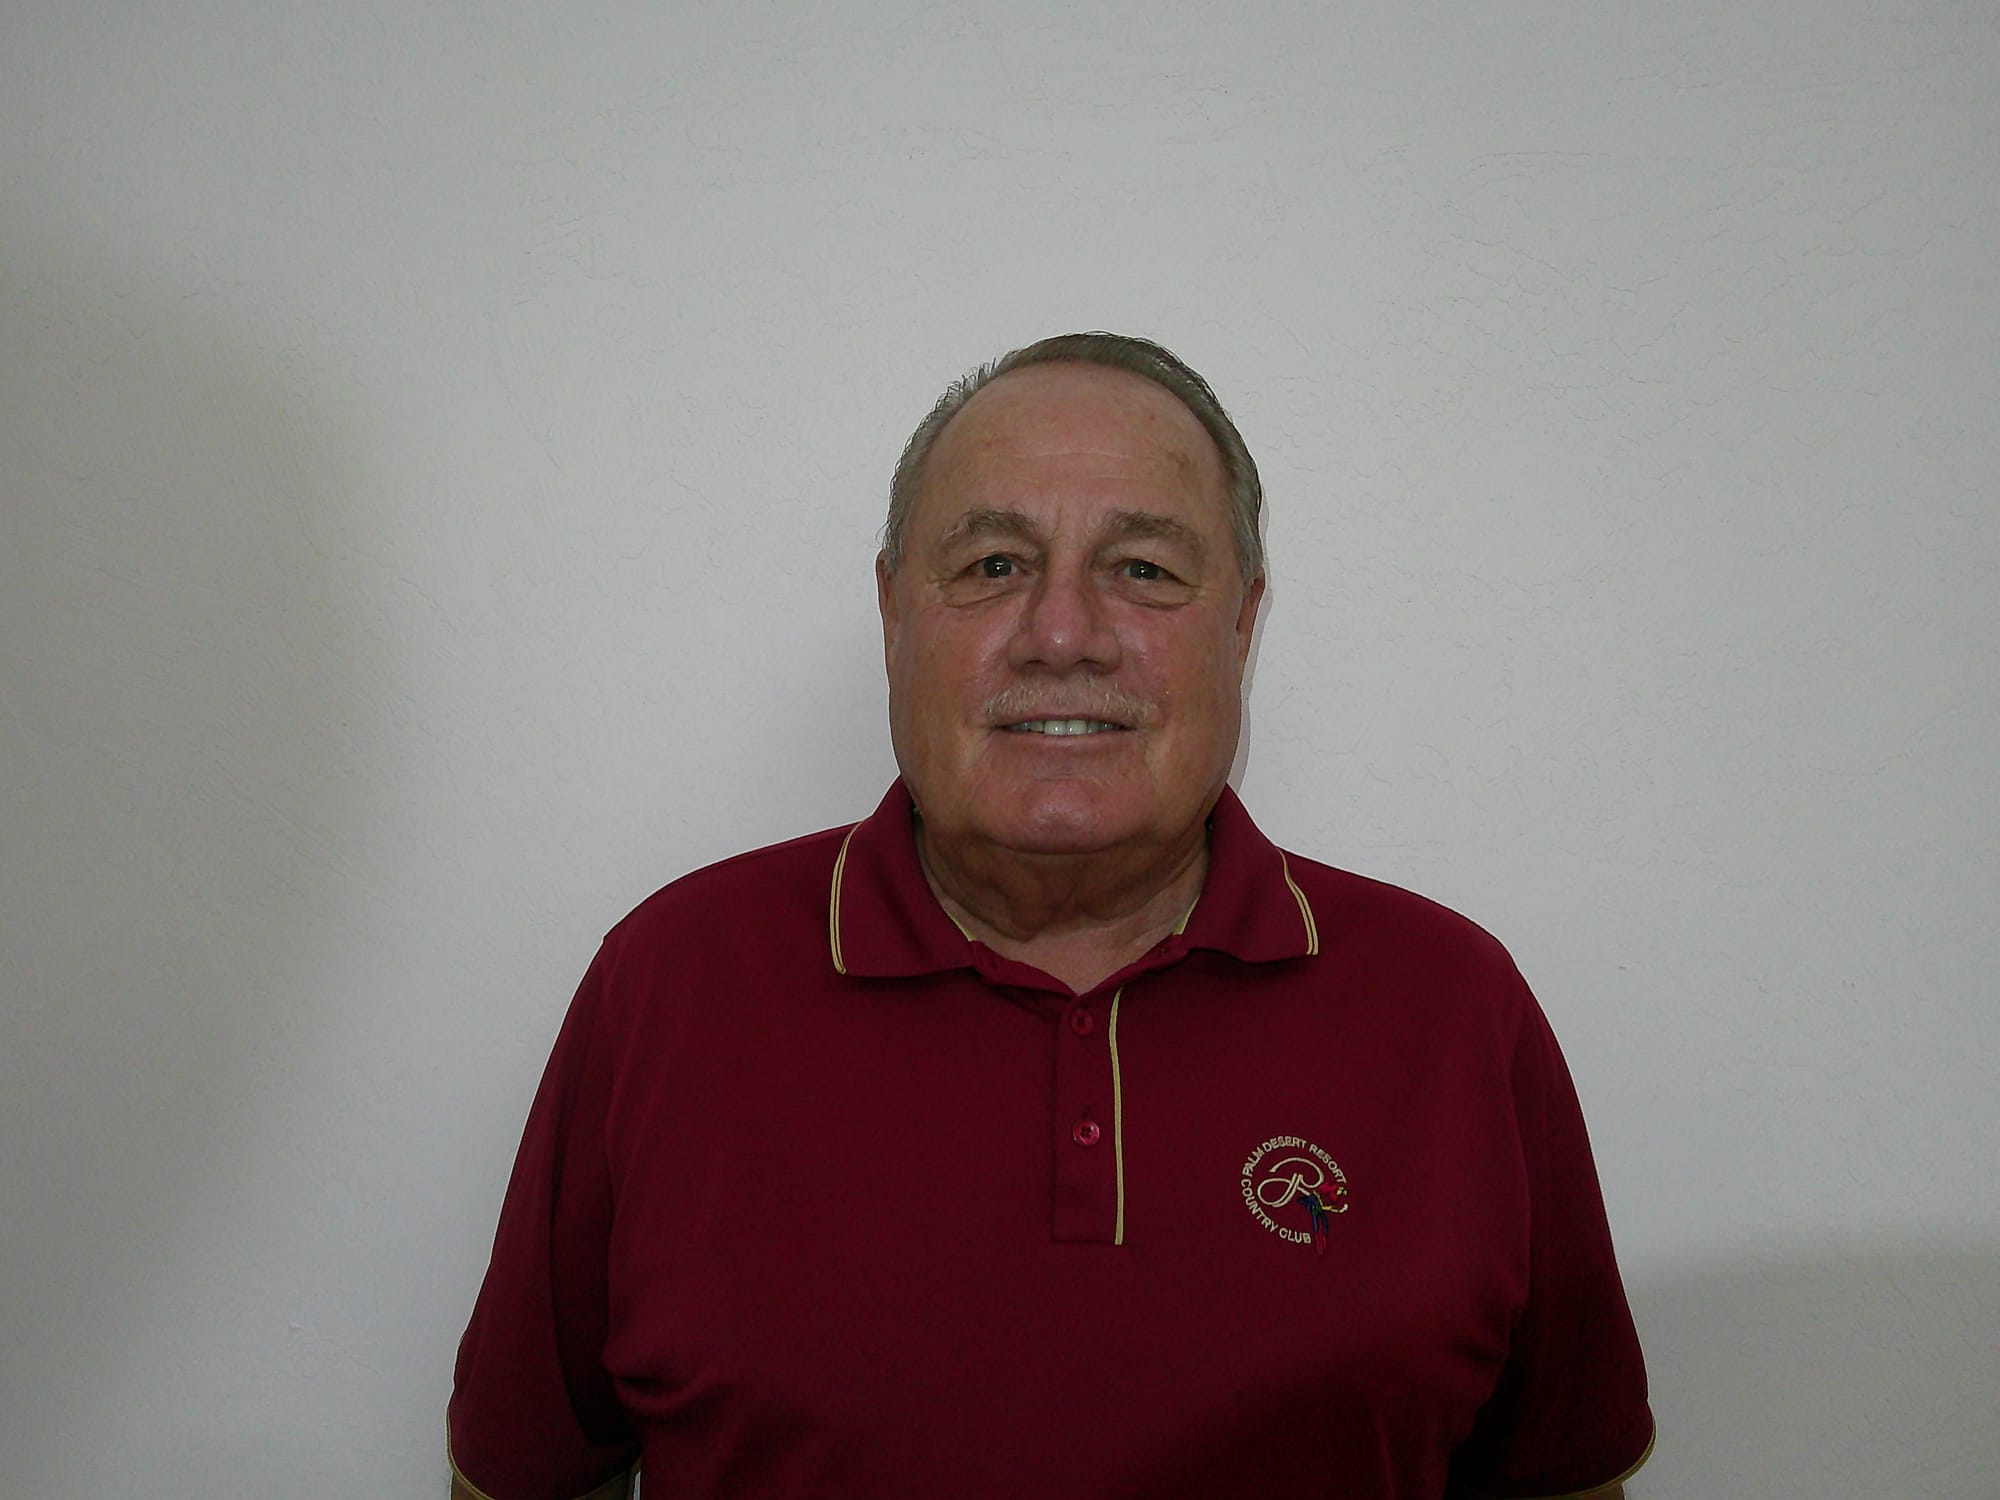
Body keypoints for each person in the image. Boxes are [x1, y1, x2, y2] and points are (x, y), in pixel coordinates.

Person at [447, 333, 1654, 1500]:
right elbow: (527, 1475)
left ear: (1241, 623)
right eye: (991, 566)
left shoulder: (1451, 1007)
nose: (1062, 635)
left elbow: (1557, 1479)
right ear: (892, 614)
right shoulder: (671, 982)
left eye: (1143, 570)